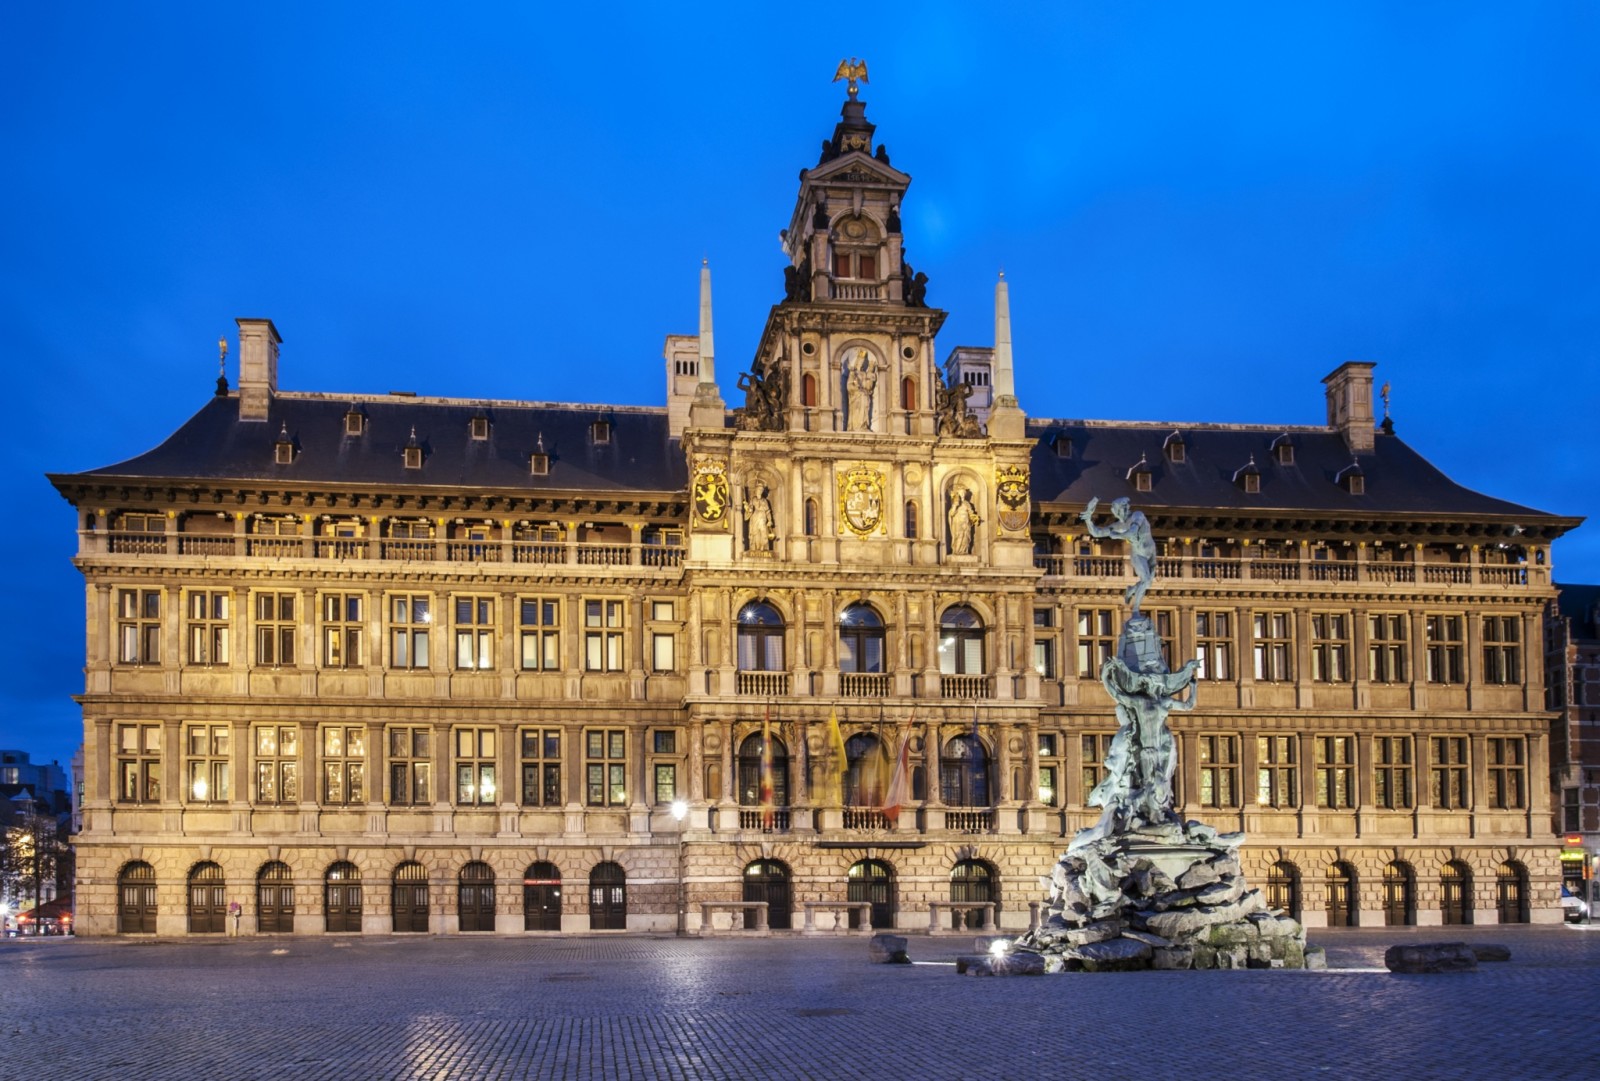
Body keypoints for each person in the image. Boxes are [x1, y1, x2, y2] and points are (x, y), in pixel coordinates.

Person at [1080, 496, 1156, 614]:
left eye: (1116, 511)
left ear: (1123, 508)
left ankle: (1131, 590)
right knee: (1145, 581)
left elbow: (1132, 532)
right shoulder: (1120, 525)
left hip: (1151, 550)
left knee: (1149, 582)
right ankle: (1136, 610)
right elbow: (1097, 533)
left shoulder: (1137, 515)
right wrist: (1088, 519)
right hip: (1138, 553)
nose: (1116, 515)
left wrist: (1116, 535)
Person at [846, 349, 877, 431]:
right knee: (857, 410)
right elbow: (849, 386)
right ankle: (856, 426)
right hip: (856, 396)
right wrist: (857, 389)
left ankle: (864, 425)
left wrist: (870, 373)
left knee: (865, 408)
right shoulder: (853, 373)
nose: (862, 363)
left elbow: (869, 387)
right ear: (857, 362)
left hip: (864, 395)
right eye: (860, 361)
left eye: (863, 362)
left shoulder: (865, 374)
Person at [743, 484, 774, 552]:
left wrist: (770, 520)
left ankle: (763, 547)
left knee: (763, 532)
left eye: (761, 490)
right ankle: (756, 547)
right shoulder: (753, 499)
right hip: (754, 517)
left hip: (762, 517)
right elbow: (750, 509)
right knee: (755, 533)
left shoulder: (764, 501)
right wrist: (747, 508)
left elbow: (768, 511)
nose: (760, 491)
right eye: (759, 489)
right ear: (756, 490)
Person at [948, 486, 978, 555]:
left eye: (964, 492)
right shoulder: (955, 502)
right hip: (958, 522)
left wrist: (974, 518)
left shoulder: (967, 503)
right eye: (961, 492)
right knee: (959, 535)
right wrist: (955, 506)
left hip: (966, 522)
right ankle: (957, 551)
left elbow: (971, 513)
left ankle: (964, 551)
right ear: (958, 493)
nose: (963, 494)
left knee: (966, 537)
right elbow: (951, 513)